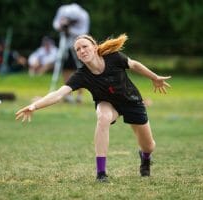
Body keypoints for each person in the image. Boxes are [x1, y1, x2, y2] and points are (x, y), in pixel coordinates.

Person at [15, 33, 171, 182]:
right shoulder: (81, 75)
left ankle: (145, 158)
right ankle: (101, 173)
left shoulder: (114, 58)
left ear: (95, 47)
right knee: (103, 117)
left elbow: (134, 64)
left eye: (85, 46)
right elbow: (58, 94)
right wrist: (34, 106)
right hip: (107, 104)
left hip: (131, 101)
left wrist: (155, 78)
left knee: (149, 146)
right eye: (78, 49)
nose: (82, 51)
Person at [52, 3, 90, 103]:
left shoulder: (83, 15)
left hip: (79, 44)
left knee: (81, 68)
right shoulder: (62, 10)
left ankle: (80, 95)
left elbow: (84, 31)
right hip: (65, 44)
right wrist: (61, 26)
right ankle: (67, 95)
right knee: (66, 68)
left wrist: (70, 30)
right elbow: (56, 24)